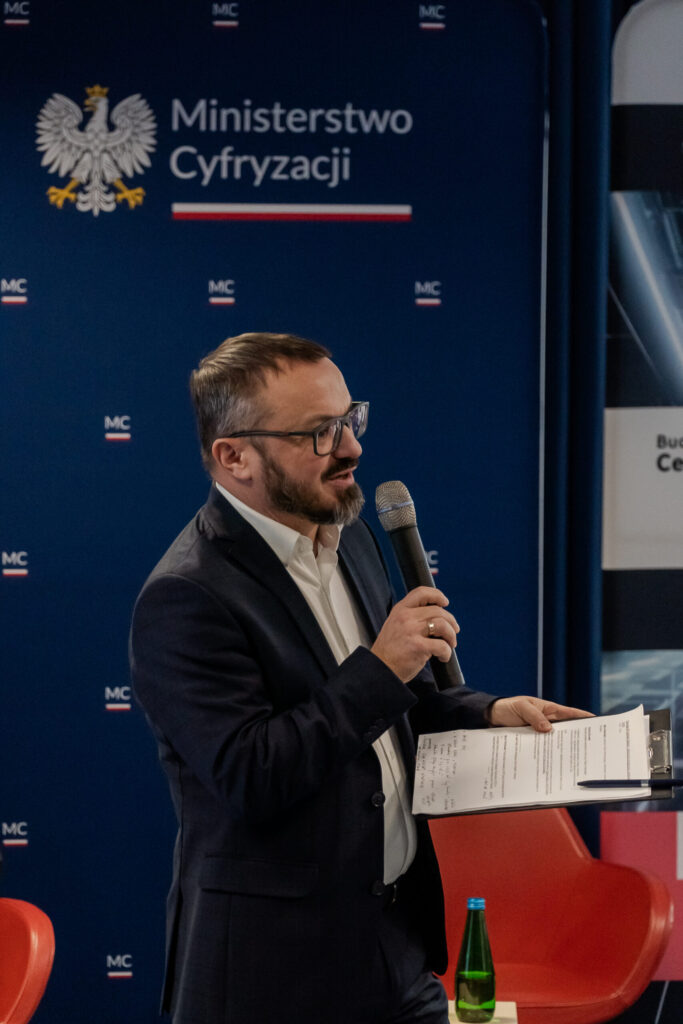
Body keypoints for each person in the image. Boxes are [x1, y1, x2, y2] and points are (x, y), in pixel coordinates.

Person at [130, 332, 591, 1024]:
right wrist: (382, 666)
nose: (350, 448)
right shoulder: (186, 596)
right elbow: (252, 776)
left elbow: (395, 707)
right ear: (234, 457)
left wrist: (487, 712)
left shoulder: (351, 540)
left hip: (395, 946)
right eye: (318, 433)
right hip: (275, 975)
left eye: (350, 419)